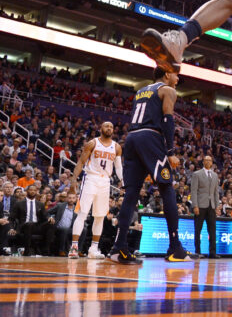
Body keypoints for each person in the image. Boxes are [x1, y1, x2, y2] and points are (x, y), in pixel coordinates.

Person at [108, 67, 193, 264]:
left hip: (132, 138)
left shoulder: (141, 91)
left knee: (131, 194)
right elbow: (168, 120)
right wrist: (170, 152)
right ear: (166, 75)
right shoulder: (167, 90)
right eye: (175, 74)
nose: (178, 79)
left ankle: (118, 248)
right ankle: (175, 248)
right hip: (150, 137)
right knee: (167, 188)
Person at [68, 121, 122, 259]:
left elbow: (119, 167)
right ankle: (74, 247)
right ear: (100, 128)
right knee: (83, 213)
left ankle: (93, 249)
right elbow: (80, 162)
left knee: (100, 216)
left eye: (111, 127)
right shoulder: (92, 143)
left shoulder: (116, 147)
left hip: (105, 181)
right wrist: (73, 181)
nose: (109, 128)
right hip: (91, 178)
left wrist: (123, 181)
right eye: (106, 126)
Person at [9, 183, 54, 256]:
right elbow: (11, 218)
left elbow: (45, 216)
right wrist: (11, 228)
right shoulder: (19, 203)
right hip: (24, 226)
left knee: (50, 225)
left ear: (36, 192)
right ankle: (27, 251)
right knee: (29, 224)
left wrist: (50, 218)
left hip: (37, 226)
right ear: (27, 191)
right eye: (30, 190)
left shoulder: (40, 204)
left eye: (34, 190)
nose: (32, 191)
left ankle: (45, 250)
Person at [191, 155, 220, 259]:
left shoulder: (215, 175)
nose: (208, 162)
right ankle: (197, 252)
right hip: (200, 205)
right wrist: (195, 205)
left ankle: (212, 253)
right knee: (198, 230)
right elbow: (193, 191)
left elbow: (216, 192)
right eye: (206, 160)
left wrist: (217, 206)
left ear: (212, 162)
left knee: (212, 230)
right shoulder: (196, 174)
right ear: (203, 162)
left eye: (210, 160)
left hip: (211, 206)